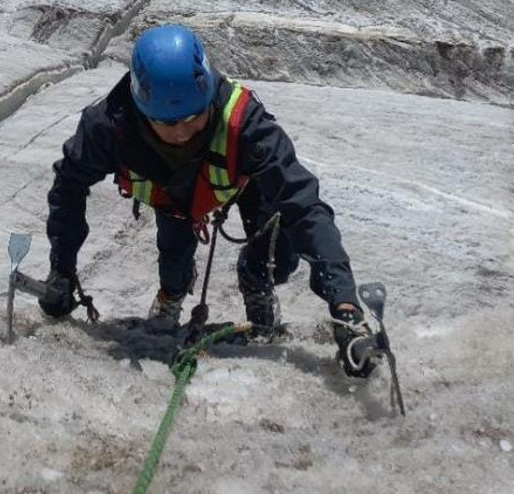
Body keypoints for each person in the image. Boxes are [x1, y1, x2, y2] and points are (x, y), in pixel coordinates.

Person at [38, 24, 378, 377]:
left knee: (278, 255)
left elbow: (303, 205)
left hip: (242, 182)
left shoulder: (246, 126)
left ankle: (255, 278)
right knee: (174, 255)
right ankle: (173, 292)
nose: (184, 131)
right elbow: (68, 187)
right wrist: (62, 271)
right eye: (168, 123)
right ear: (142, 109)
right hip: (172, 194)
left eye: (193, 117)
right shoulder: (108, 126)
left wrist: (344, 305)